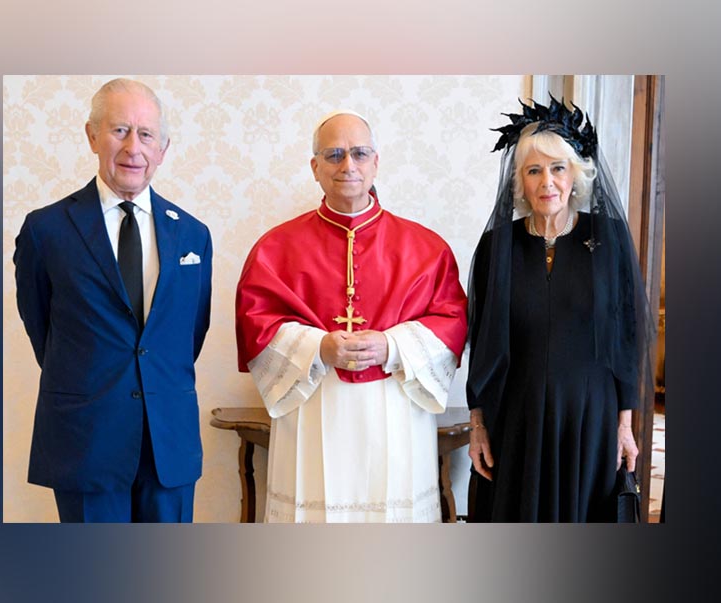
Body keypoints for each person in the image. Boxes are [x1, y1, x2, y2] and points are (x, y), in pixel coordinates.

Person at [235, 110, 468, 522]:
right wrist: (318, 346)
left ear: (376, 162)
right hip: (313, 401)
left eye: (360, 153)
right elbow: (256, 322)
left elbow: (451, 320)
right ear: (315, 167)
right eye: (334, 155)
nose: (348, 166)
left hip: (396, 405)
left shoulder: (426, 248)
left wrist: (391, 345)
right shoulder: (275, 248)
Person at [14, 78, 213, 522]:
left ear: (163, 148)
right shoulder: (46, 231)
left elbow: (190, 333)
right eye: (119, 130)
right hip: (86, 438)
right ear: (92, 135)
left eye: (146, 135)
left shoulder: (193, 235)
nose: (133, 148)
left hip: (168, 442)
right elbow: (42, 327)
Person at [465, 96, 655, 522]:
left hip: (590, 415)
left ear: (576, 175)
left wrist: (624, 424)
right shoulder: (498, 245)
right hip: (518, 415)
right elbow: (481, 341)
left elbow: (626, 333)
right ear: (520, 181)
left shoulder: (607, 238)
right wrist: (478, 424)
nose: (547, 182)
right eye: (534, 171)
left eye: (557, 168)